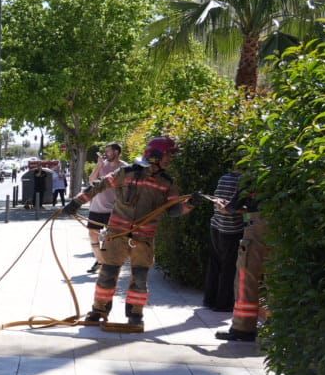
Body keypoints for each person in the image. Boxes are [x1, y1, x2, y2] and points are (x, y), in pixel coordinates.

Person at [64, 135, 201, 330]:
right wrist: (76, 202)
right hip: (117, 235)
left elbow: (173, 211)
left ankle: (136, 314)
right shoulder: (126, 173)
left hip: (144, 238)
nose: (170, 159)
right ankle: (98, 310)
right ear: (155, 156)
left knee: (140, 278)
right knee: (107, 274)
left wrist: (189, 205)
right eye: (168, 155)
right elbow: (99, 185)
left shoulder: (167, 183)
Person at [215, 189, 265, 343]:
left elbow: (231, 207)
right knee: (274, 280)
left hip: (255, 231)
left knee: (246, 279)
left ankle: (243, 328)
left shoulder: (251, 178)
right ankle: (274, 329)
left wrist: (221, 205)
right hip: (281, 231)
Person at [203, 167, 244, 312]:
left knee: (215, 264)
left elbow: (218, 201)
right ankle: (223, 303)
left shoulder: (223, 178)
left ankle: (209, 300)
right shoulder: (242, 182)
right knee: (229, 267)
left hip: (216, 225)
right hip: (231, 229)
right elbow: (234, 207)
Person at [85, 143, 124, 274]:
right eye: (106, 151)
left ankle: (105, 263)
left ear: (117, 152)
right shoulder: (102, 165)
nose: (106, 153)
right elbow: (91, 181)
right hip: (96, 206)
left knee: (110, 238)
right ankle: (100, 261)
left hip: (113, 208)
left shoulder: (124, 167)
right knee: (92, 235)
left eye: (109, 151)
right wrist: (98, 165)